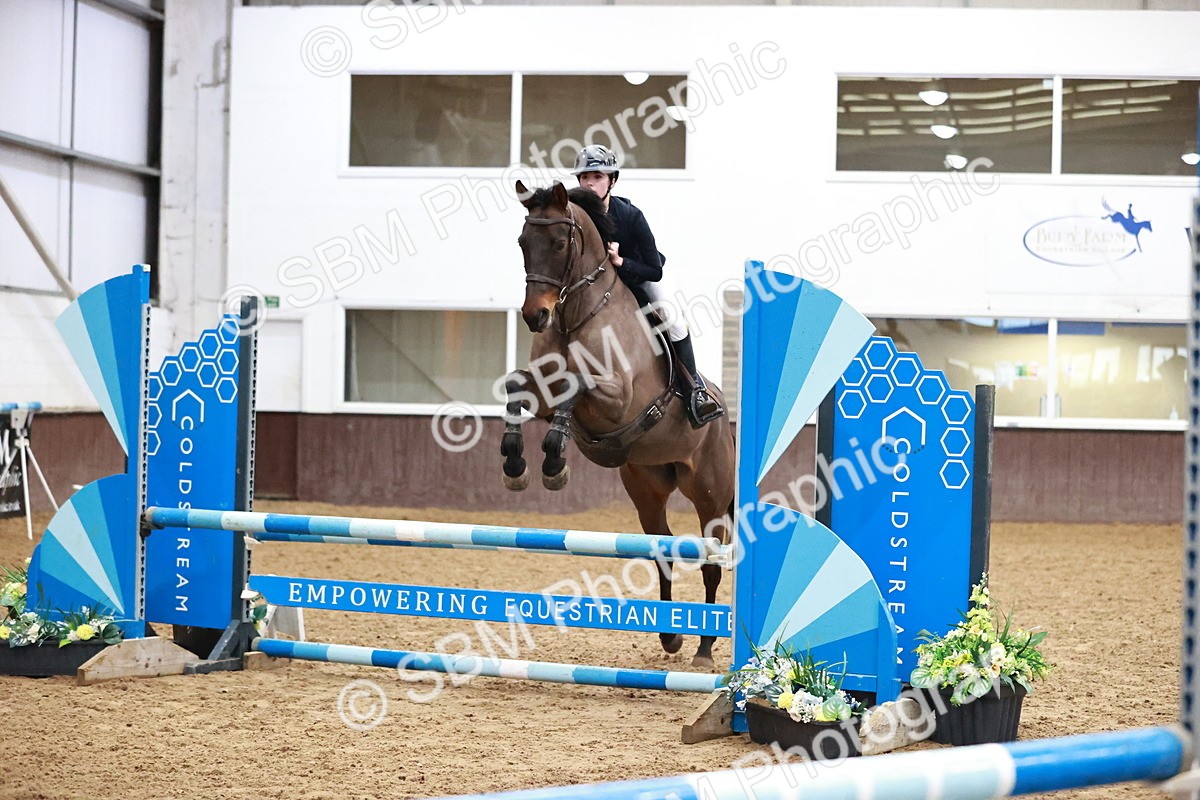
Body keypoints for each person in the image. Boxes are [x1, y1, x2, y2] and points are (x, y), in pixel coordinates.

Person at [571, 144, 723, 428]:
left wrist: (621, 261)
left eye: (597, 177)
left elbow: (654, 270)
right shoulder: (577, 216)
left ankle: (695, 392)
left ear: (612, 181)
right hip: (599, 289)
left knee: (674, 320)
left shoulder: (630, 216)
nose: (590, 184)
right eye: (584, 178)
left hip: (641, 277)